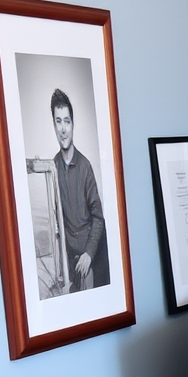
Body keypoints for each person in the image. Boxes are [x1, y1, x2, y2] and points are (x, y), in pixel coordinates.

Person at [27, 89, 110, 292]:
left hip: (91, 256)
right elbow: (55, 221)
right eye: (58, 121)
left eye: (67, 121)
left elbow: (98, 218)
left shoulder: (85, 166)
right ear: (53, 125)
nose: (63, 129)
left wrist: (89, 254)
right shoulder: (53, 166)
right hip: (69, 260)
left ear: (73, 125)